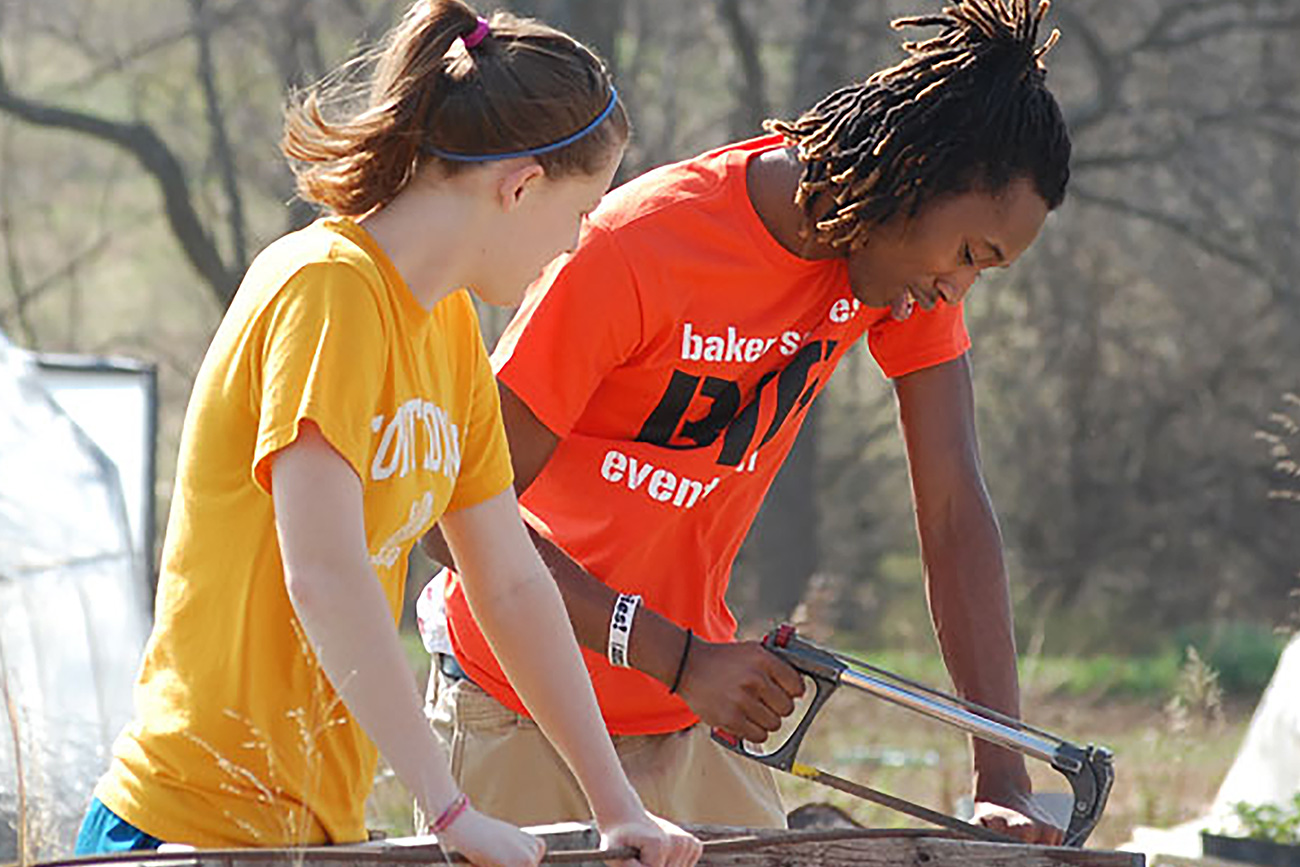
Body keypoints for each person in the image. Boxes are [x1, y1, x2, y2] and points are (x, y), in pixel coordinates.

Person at [419, 0, 1072, 845]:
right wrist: (676, 657)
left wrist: (1004, 774)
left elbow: (953, 514)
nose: (957, 290)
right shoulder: (635, 245)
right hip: (519, 704)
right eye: (971, 255)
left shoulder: (900, 270)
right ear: (911, 176)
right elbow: (456, 519)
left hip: (691, 714)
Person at [75, 4, 703, 867]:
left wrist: (616, 804)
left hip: (314, 832)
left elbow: (512, 581)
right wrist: (450, 813)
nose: (572, 247)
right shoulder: (325, 290)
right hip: (185, 830)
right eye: (581, 210)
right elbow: (324, 573)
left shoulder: (446, 330)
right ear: (518, 186)